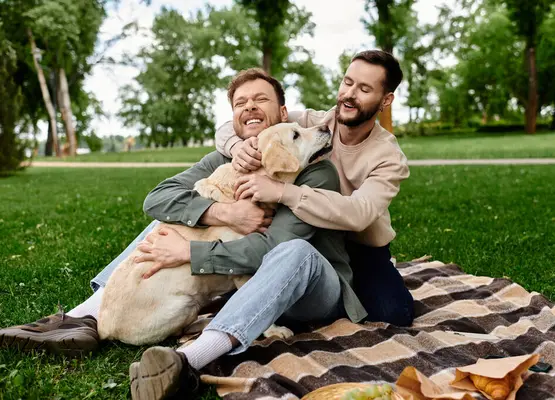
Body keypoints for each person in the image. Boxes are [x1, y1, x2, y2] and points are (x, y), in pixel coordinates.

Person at [0, 68, 366, 400]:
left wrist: (188, 254)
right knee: (174, 220)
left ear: (283, 113)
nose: (250, 108)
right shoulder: (222, 162)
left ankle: (188, 361)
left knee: (294, 252)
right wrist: (221, 212)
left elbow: (270, 248)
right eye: (241, 103)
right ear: (234, 118)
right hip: (247, 281)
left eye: (261, 99)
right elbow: (157, 199)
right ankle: (85, 317)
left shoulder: (315, 170)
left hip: (312, 292)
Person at [216, 49, 414, 327]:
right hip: (311, 235)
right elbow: (236, 125)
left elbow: (359, 214)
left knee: (395, 314)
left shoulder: (389, 157)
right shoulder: (312, 123)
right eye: (348, 82)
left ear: (386, 100)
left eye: (365, 89)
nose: (349, 94)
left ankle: (342, 292)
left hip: (362, 249)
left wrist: (282, 192)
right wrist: (240, 147)